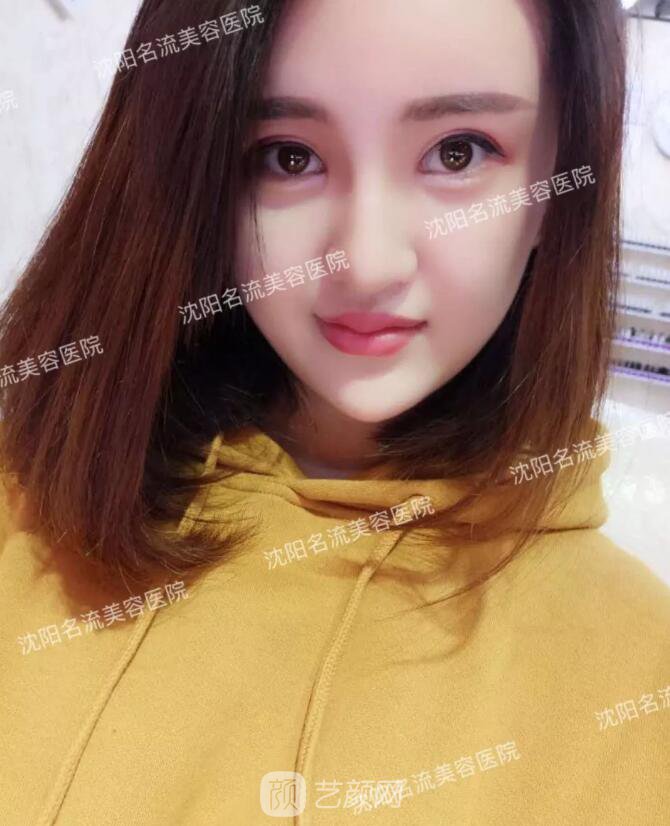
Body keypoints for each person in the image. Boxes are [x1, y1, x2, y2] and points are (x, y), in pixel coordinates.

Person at [1, 0, 668, 823]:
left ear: (558, 186)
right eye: (289, 157)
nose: (367, 263)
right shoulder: (30, 513)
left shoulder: (640, 686)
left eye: (458, 153)